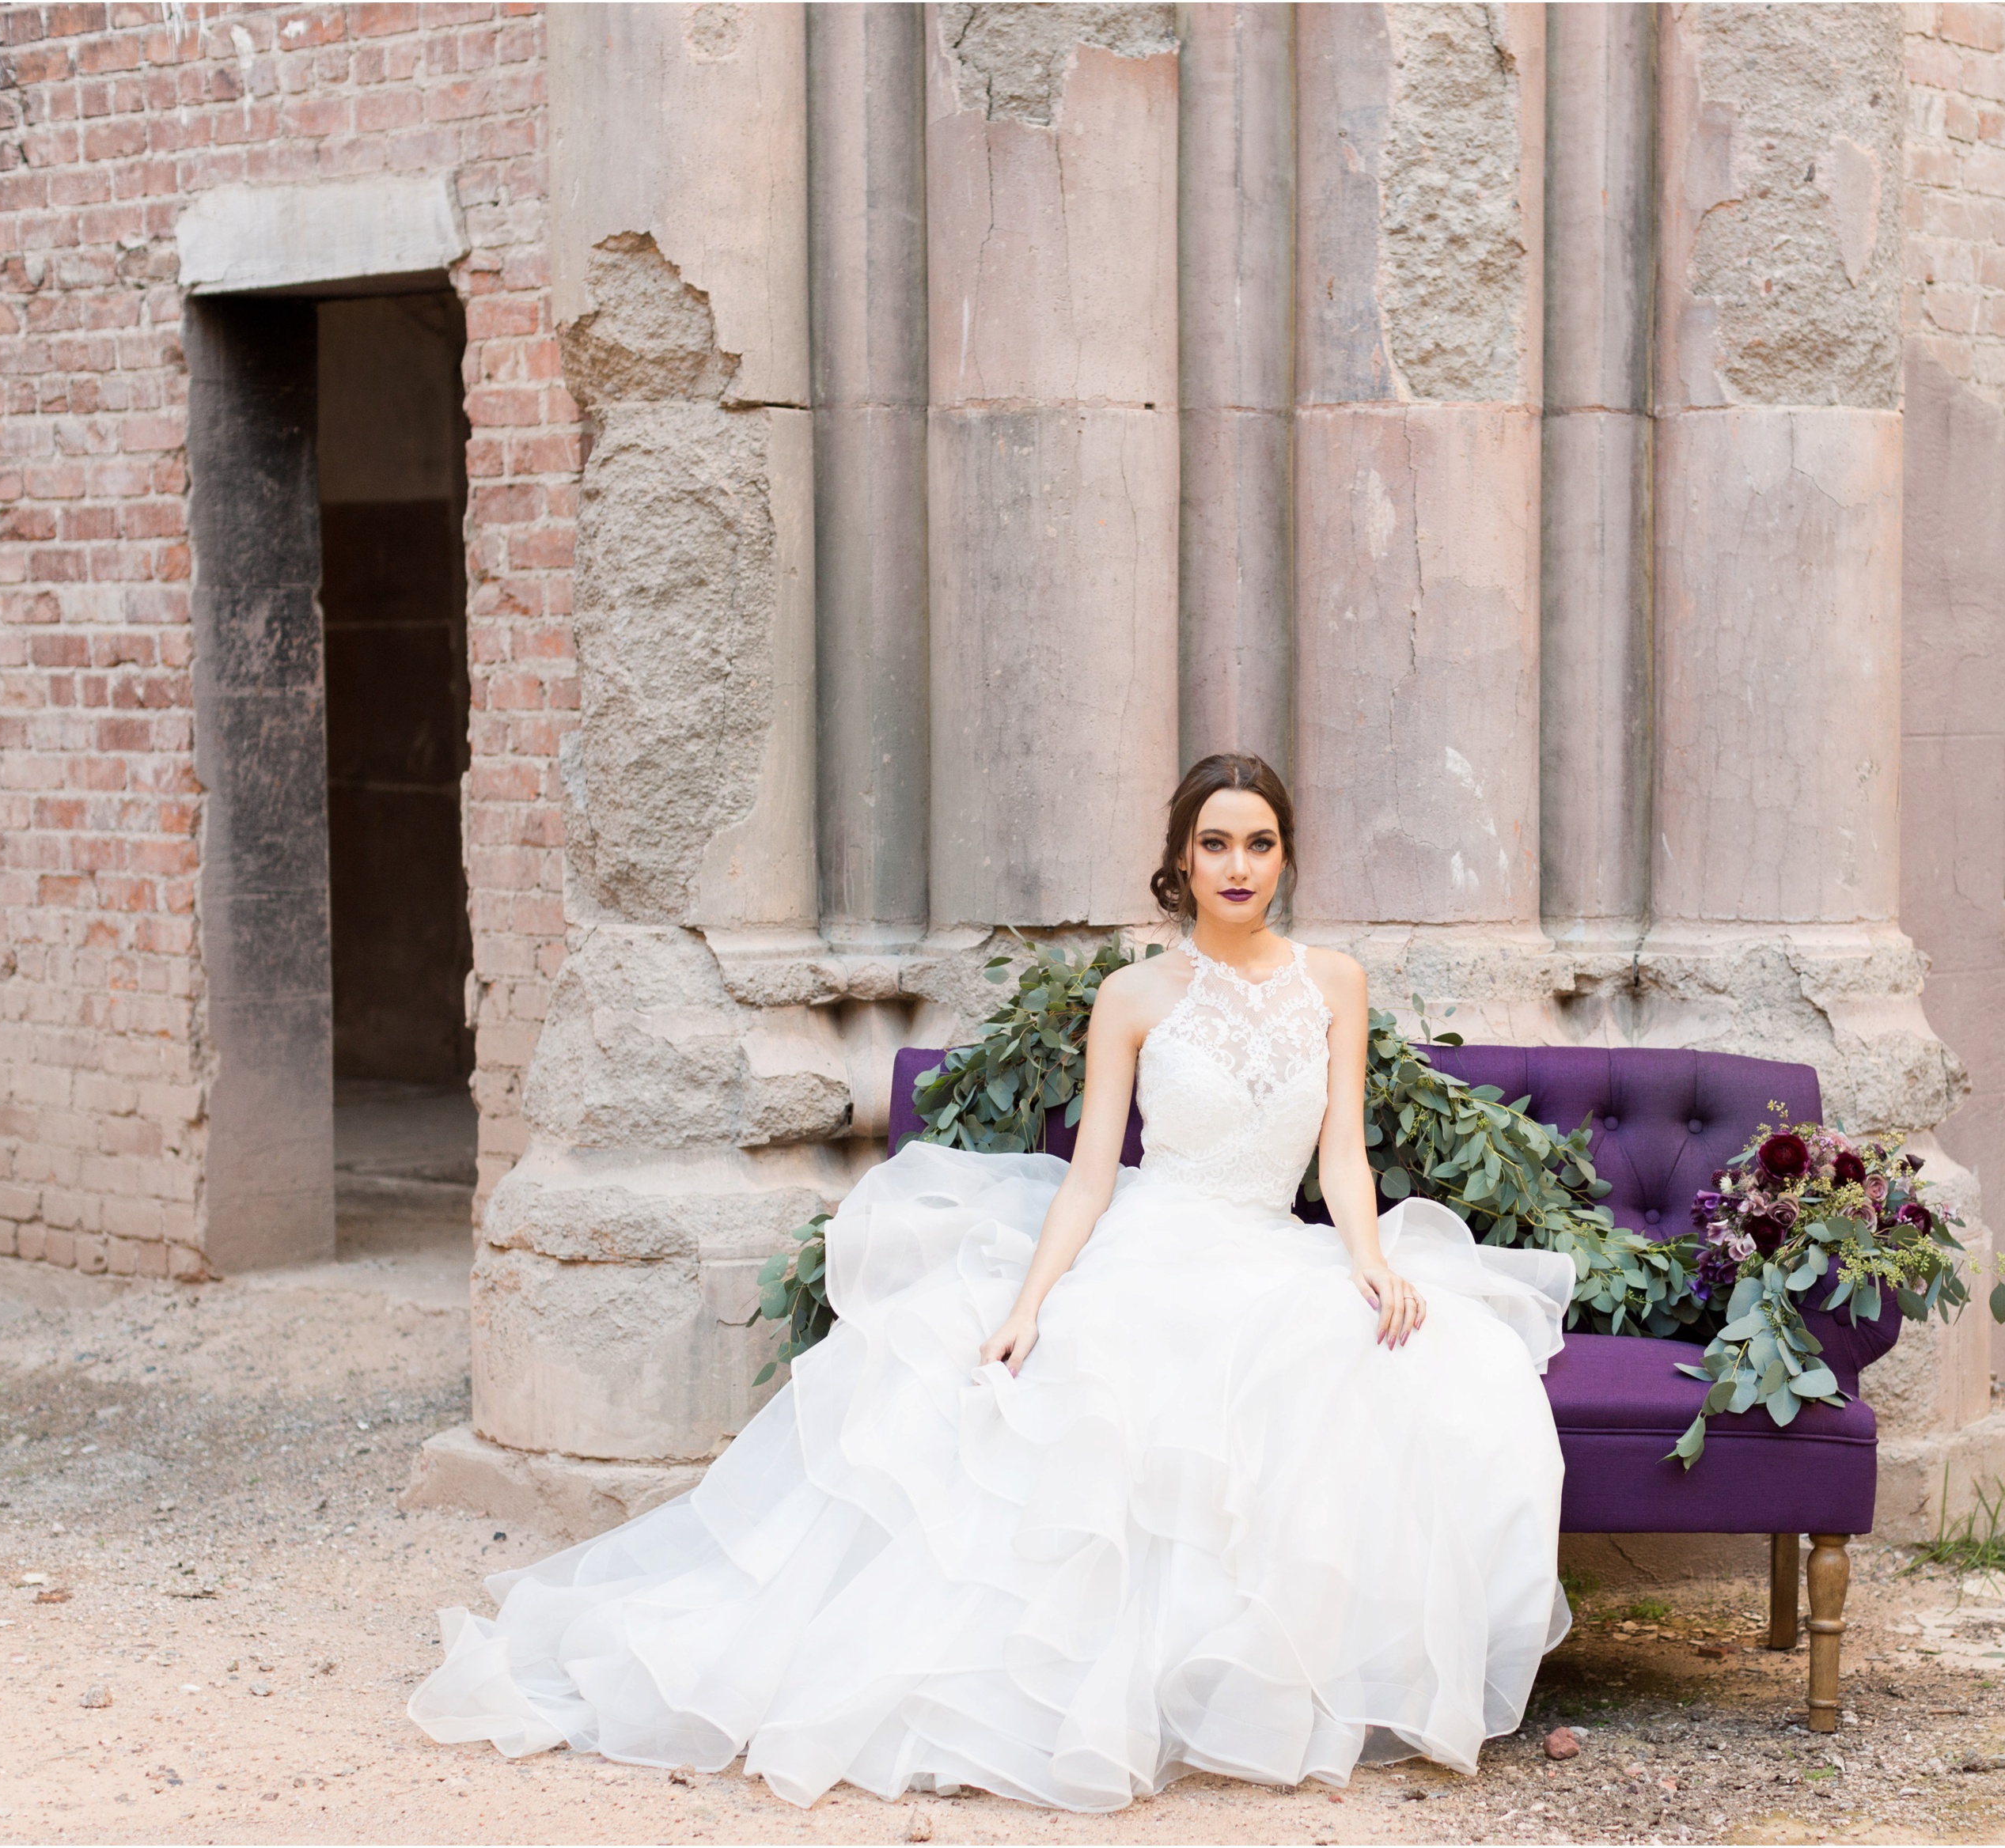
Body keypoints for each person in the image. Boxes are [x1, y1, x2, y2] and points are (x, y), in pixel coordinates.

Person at [407, 753, 1577, 1812]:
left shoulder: (1334, 981)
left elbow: (1342, 1159)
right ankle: (1087, 1690)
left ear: (1286, 856)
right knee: (1091, 1390)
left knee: (1427, 1367)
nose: (1238, 865)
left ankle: (1252, 1682)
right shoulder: (1133, 997)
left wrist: (1369, 1261)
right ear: (1179, 858)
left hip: (1272, 1245)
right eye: (1215, 843)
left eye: (1259, 843)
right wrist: (1028, 1305)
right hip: (1154, 1240)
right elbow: (1087, 1179)